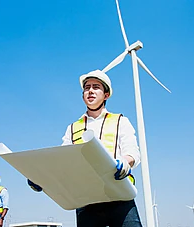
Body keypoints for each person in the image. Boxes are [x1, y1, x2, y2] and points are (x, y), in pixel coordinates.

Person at [28, 69, 142, 226]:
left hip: (119, 195)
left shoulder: (120, 121)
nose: (90, 91)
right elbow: (62, 162)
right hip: (86, 200)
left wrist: (125, 161)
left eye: (96, 87)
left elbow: (132, 152)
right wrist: (42, 179)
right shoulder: (73, 128)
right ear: (82, 95)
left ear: (106, 95)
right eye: (87, 88)